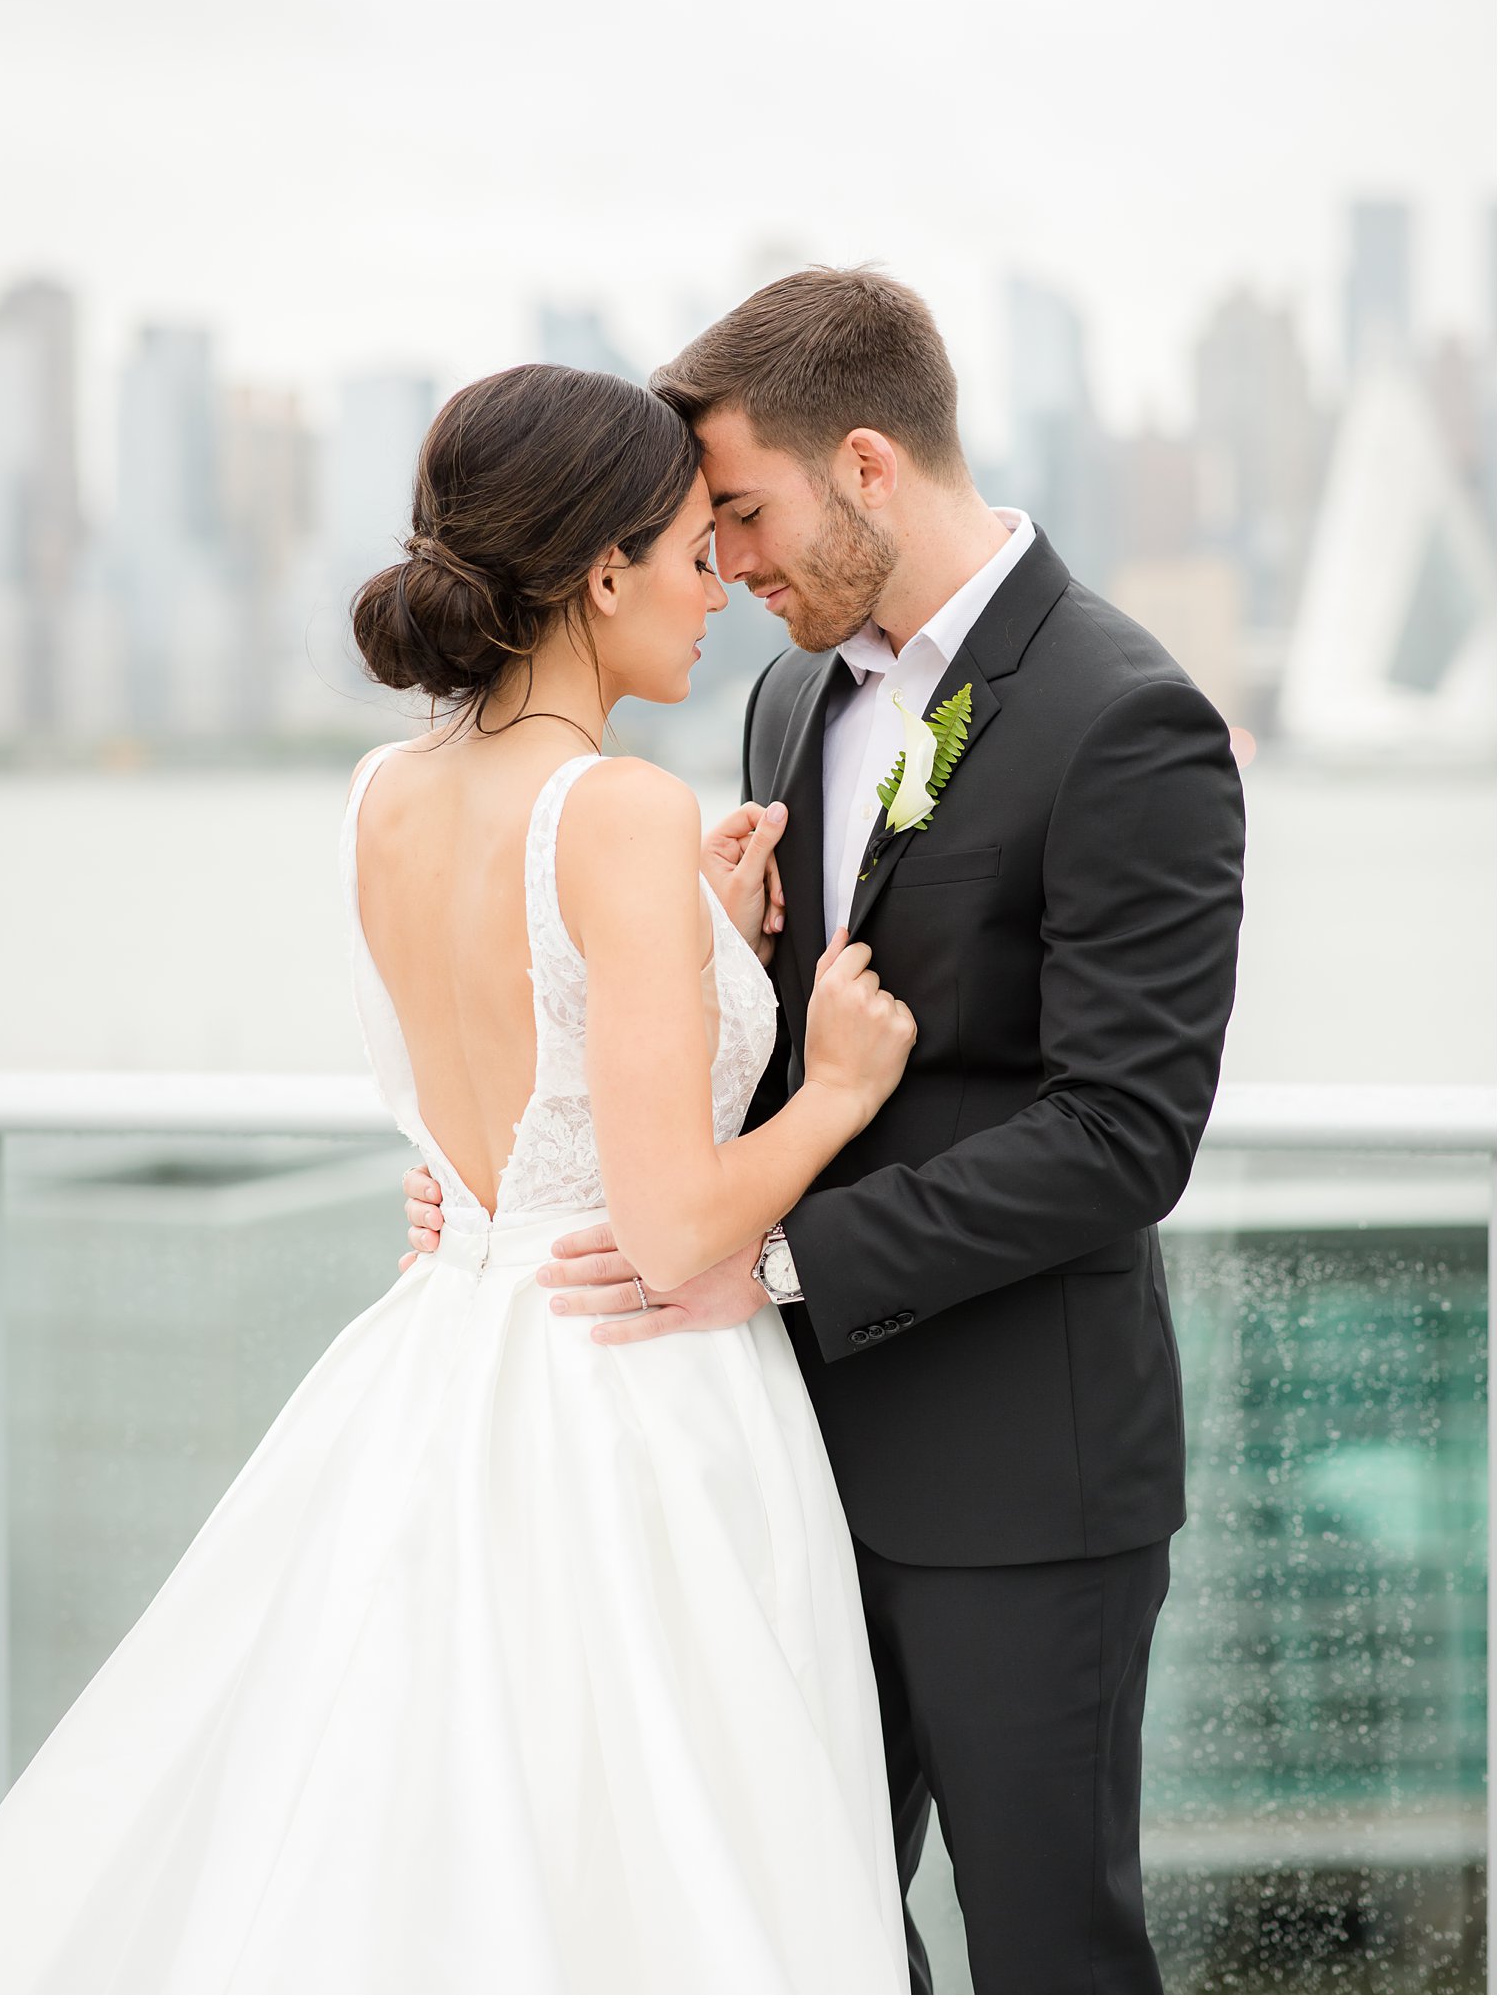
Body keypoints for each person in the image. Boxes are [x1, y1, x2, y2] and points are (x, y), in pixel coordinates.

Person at [0, 363, 917, 1995]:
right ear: (604, 569)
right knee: (665, 1854)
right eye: (698, 549)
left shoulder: (384, 796)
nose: (721, 590)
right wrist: (836, 1089)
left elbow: (489, 1090)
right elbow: (674, 1221)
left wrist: (696, 931)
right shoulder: (618, 809)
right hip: (629, 1396)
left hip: (441, 1357)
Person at [403, 269, 1248, 1994]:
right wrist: (519, 1156)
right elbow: (743, 1046)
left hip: (1019, 1471)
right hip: (763, 1461)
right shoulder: (789, 701)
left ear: (867, 461)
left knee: (1045, 1949)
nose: (725, 566)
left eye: (742, 516)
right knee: (795, 1925)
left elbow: (1121, 1134)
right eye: (699, 537)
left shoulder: (1122, 716)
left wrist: (768, 1261)